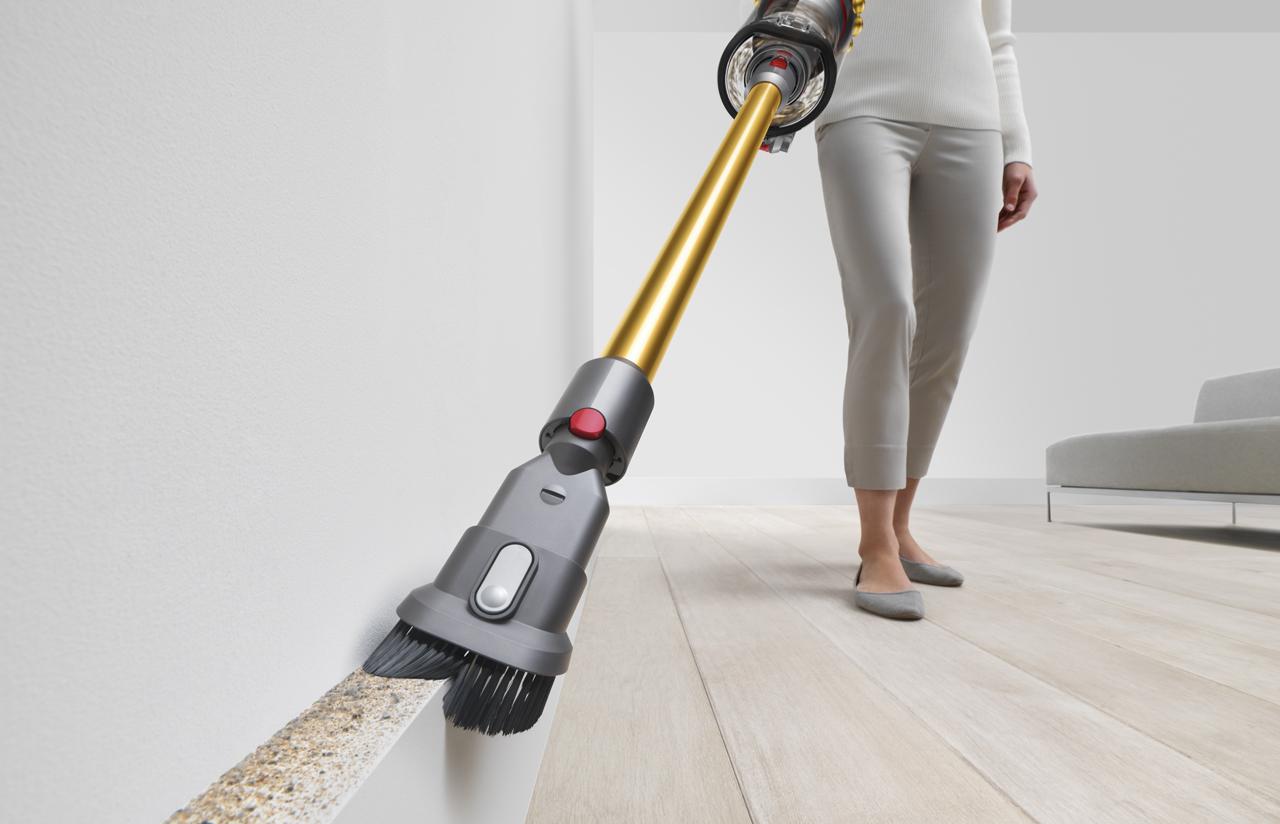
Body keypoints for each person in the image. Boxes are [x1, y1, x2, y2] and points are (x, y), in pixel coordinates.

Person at [815, 0, 1037, 619]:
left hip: (974, 124)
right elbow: (790, 9)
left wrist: (1017, 145)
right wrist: (772, 99)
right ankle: (874, 543)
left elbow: (998, 37)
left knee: (948, 332)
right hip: (860, 109)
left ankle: (900, 526)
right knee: (885, 310)